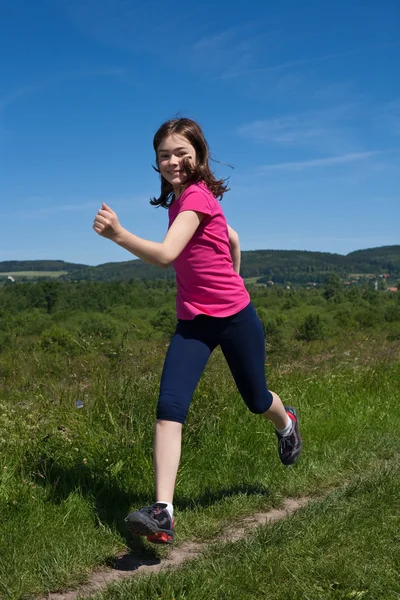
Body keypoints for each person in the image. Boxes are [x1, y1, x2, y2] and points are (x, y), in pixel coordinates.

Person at [93, 117, 302, 545]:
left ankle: (286, 424)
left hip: (235, 318)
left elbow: (168, 254)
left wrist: (118, 234)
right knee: (170, 406)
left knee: (256, 397)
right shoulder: (179, 203)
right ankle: (163, 512)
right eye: (164, 155)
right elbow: (233, 236)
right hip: (193, 323)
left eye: (180, 153)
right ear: (156, 162)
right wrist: (234, 270)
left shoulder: (197, 197)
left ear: (199, 156)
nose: (172, 161)